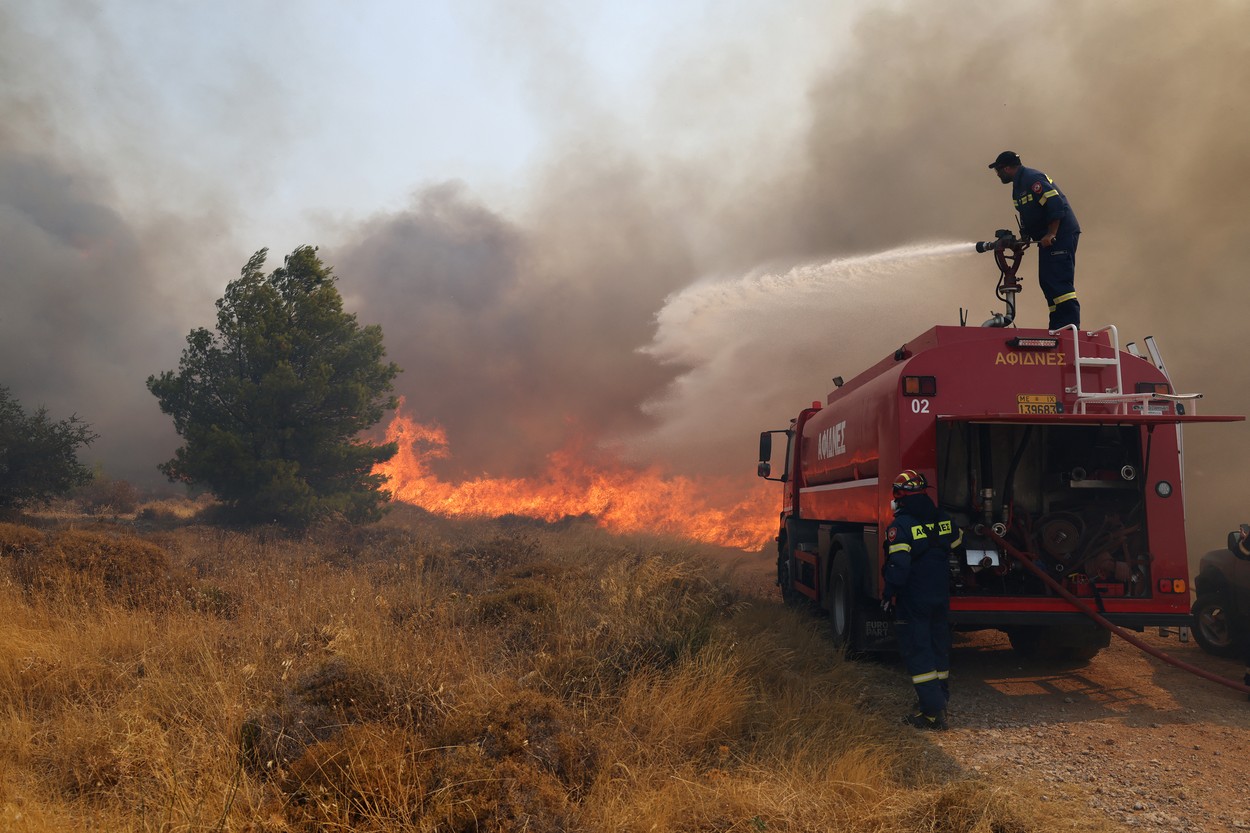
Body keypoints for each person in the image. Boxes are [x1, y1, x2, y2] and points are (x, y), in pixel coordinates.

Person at [881, 469, 963, 730]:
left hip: (914, 597)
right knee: (939, 647)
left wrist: (888, 592)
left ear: (899, 495)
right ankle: (940, 700)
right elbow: (957, 540)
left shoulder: (900, 525)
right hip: (940, 594)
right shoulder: (944, 520)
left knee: (919, 650)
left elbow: (900, 565)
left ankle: (931, 713)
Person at [988, 151, 1082, 330]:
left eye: (998, 170)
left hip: (1059, 236)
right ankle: (1057, 327)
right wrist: (1025, 237)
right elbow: (1026, 215)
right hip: (1045, 239)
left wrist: (1051, 234)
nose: (998, 175)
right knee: (1046, 280)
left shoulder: (1033, 179)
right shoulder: (1017, 188)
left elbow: (1055, 205)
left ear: (1007, 168)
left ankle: (1069, 329)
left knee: (1059, 281)